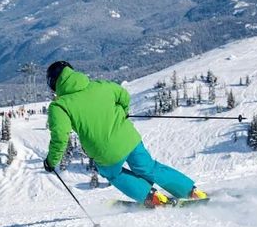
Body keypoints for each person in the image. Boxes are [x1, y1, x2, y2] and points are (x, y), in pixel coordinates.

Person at [42, 61, 207, 207]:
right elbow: (123, 95)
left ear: (53, 84)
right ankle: (190, 191)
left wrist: (51, 161)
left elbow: (60, 137)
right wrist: (122, 113)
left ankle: (151, 197)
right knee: (149, 167)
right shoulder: (100, 85)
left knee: (113, 173)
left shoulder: (59, 106)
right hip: (130, 139)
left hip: (105, 153)